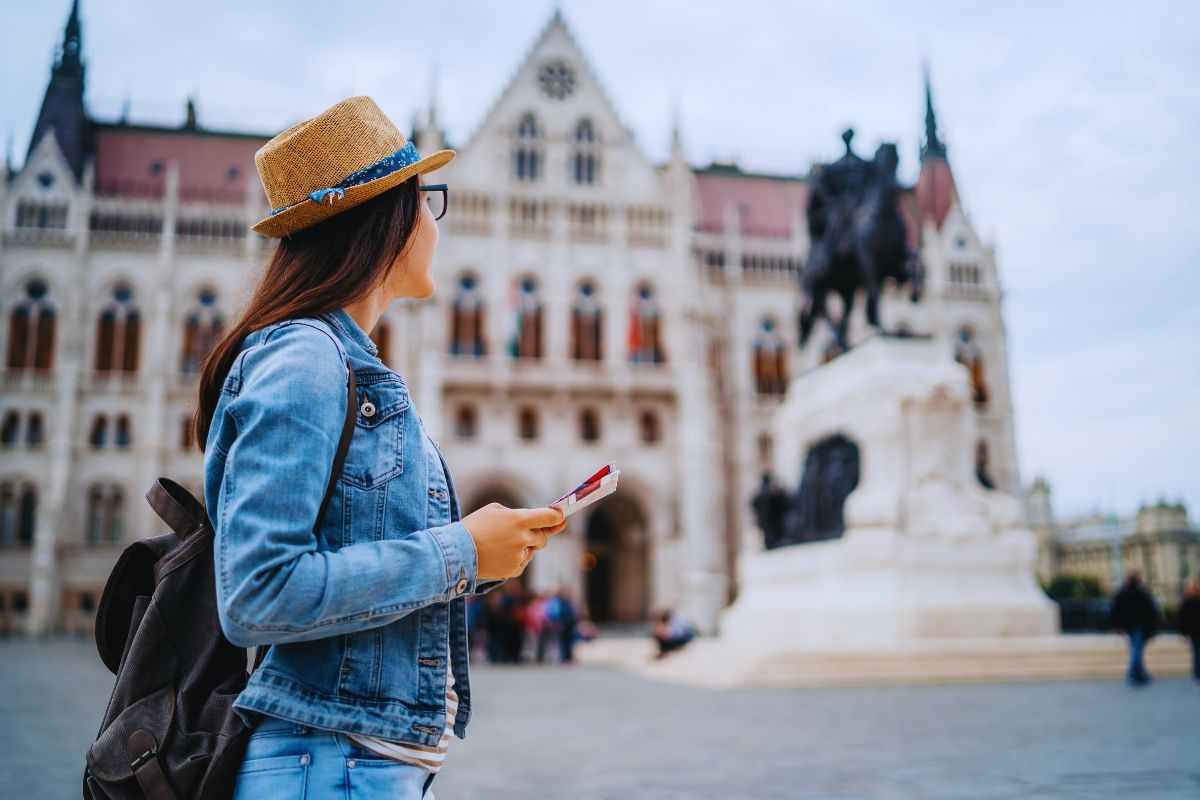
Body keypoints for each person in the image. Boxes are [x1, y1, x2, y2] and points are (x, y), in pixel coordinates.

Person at [198, 96, 566, 799]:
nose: (436, 224)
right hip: (327, 764)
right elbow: (259, 592)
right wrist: (459, 550)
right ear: (387, 220)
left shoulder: (340, 357)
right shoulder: (306, 357)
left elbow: (349, 551)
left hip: (355, 762)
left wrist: (486, 555)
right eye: (429, 202)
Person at [1108, 572, 1160, 686]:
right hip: (1139, 625)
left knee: (1136, 648)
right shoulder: (1142, 593)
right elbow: (1151, 611)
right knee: (1137, 649)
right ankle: (1133, 671)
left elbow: (1115, 611)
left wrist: (1117, 626)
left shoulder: (1122, 593)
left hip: (1129, 625)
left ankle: (1140, 672)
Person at [1179, 577, 1200, 682]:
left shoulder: (1185, 602)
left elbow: (1182, 619)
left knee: (1196, 652)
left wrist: (1183, 632)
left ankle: (1197, 673)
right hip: (1196, 630)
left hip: (1193, 632)